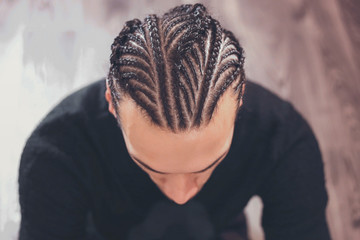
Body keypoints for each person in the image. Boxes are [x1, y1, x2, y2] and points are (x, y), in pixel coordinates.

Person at [18, 3, 331, 240]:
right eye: (154, 168)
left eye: (206, 166)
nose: (180, 194)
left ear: (239, 101)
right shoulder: (57, 155)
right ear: (112, 103)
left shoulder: (285, 142)